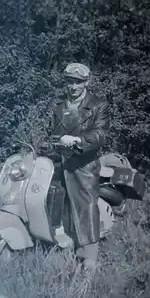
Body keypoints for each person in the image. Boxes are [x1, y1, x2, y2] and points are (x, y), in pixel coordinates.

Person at [48, 63, 110, 274]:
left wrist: (78, 140)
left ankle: (89, 258)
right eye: (70, 81)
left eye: (78, 82)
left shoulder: (97, 104)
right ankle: (61, 243)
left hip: (84, 163)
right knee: (53, 202)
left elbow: (101, 134)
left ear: (87, 82)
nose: (73, 87)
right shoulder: (57, 104)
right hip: (59, 162)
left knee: (86, 206)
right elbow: (49, 132)